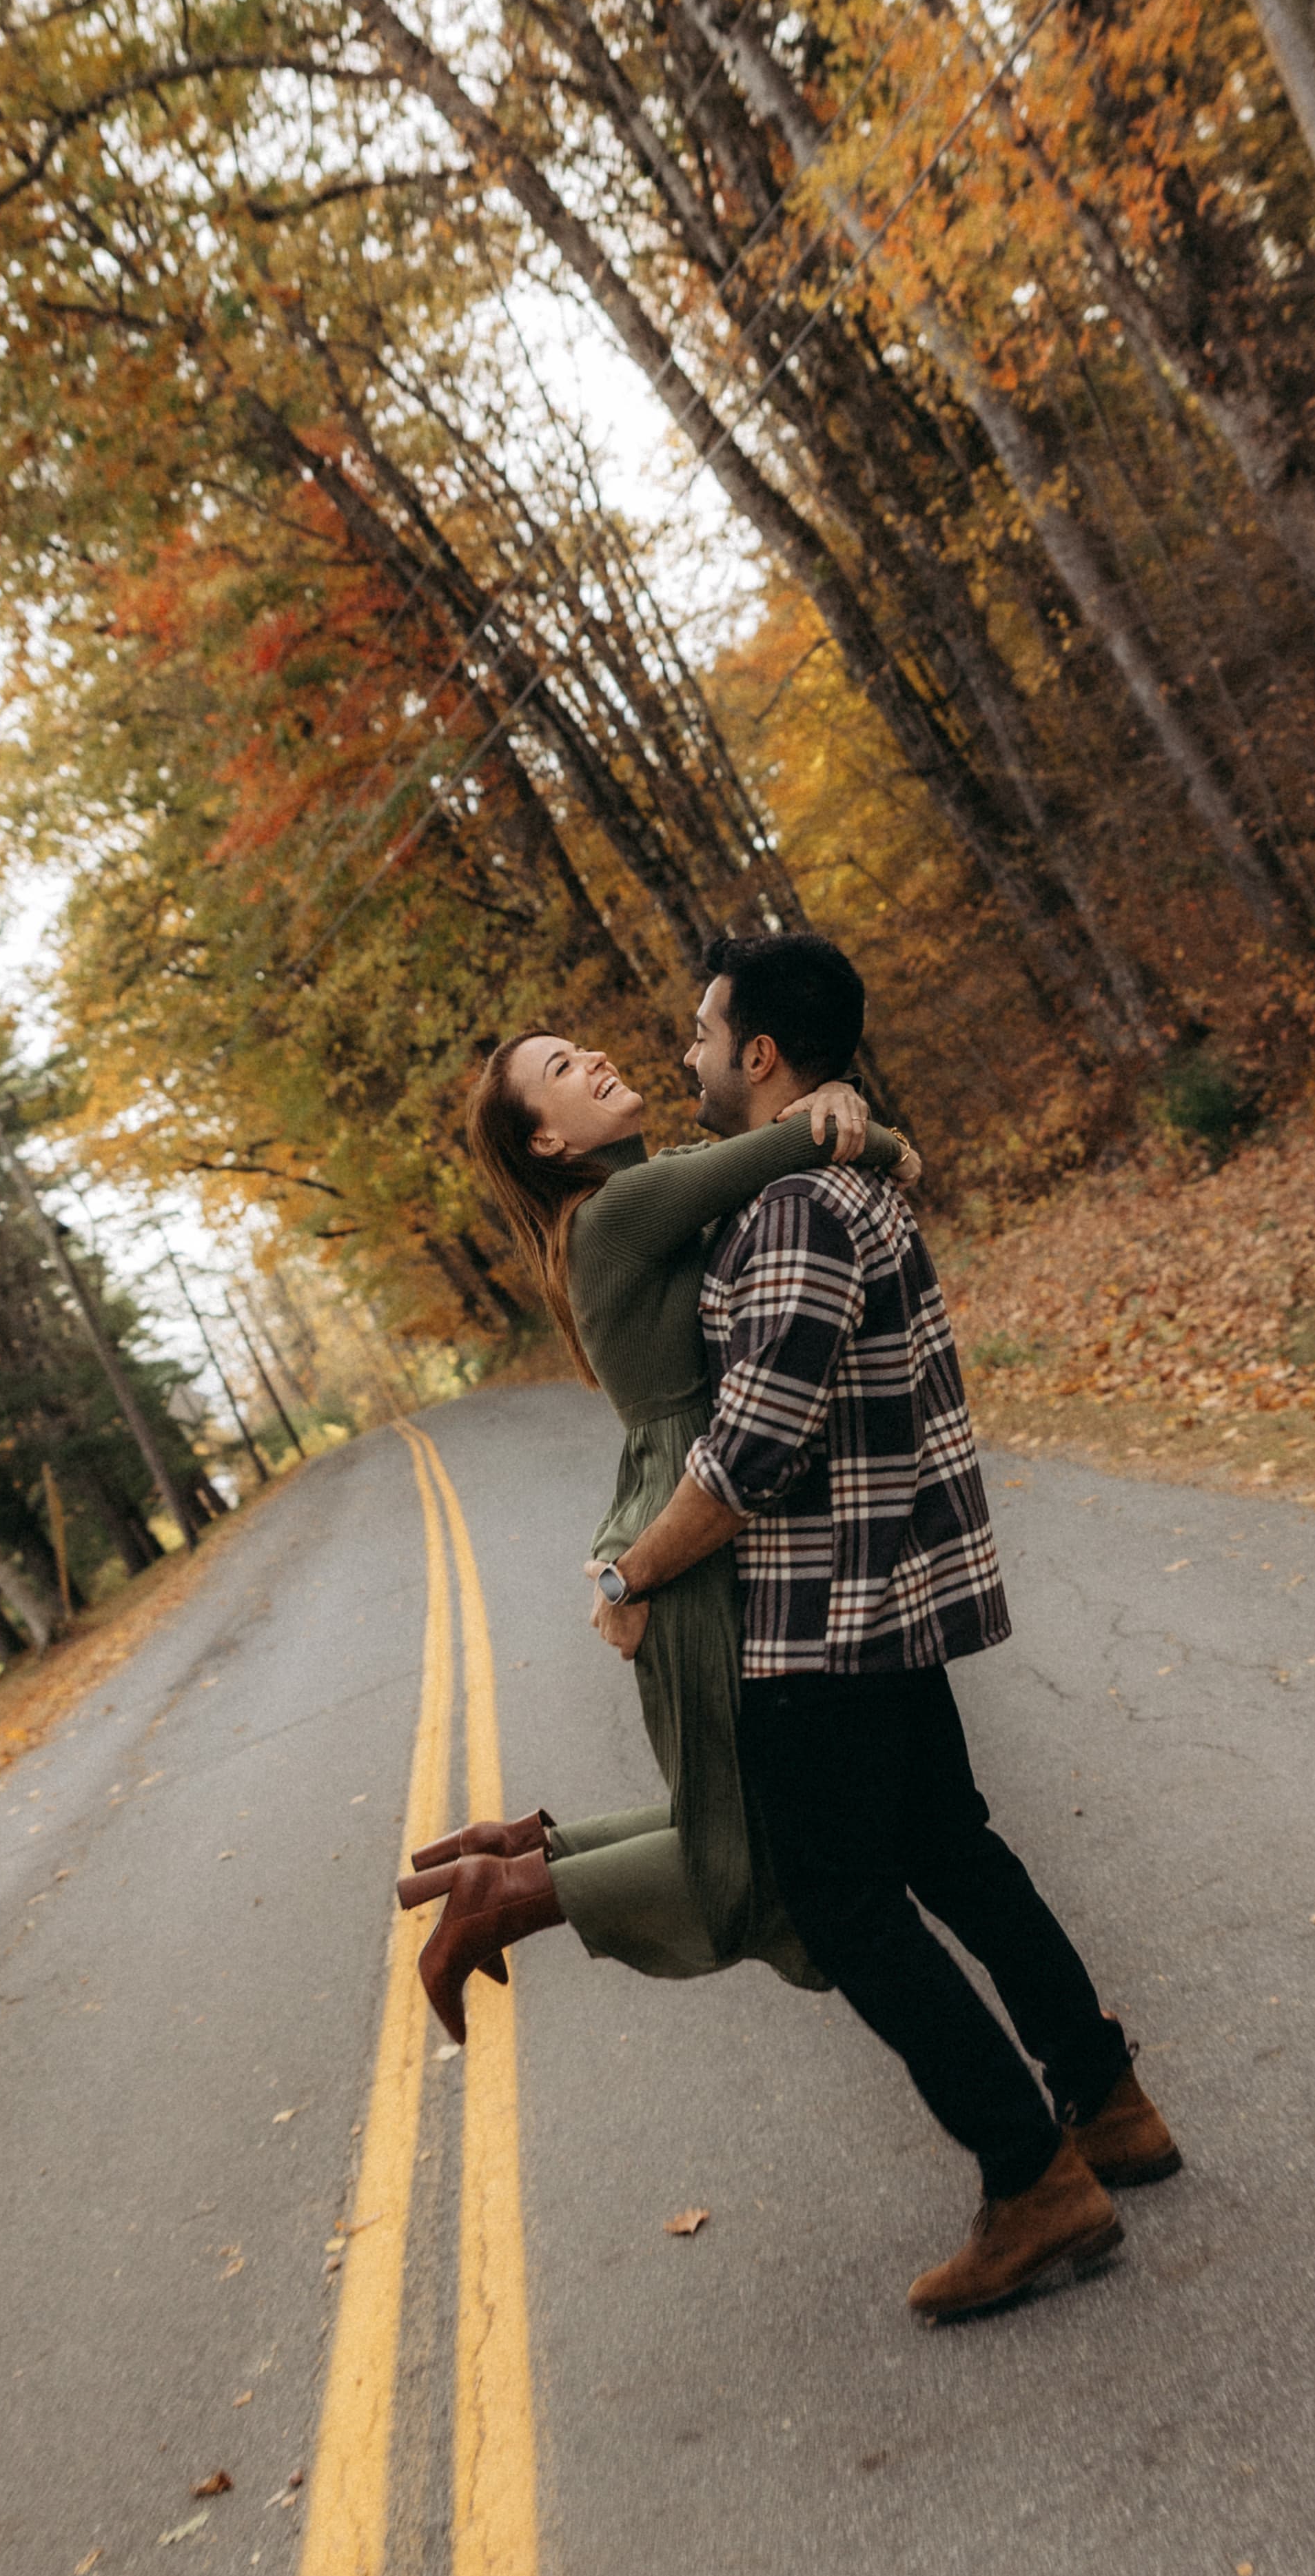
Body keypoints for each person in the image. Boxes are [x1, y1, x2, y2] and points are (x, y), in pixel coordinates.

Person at [599, 932, 1181, 2324]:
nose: (682, 1053)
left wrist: (632, 1576)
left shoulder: (794, 1211)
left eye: (698, 1031)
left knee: (846, 1904)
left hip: (823, 1627)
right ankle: (1106, 2105)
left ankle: (1030, 2179)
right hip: (889, 1604)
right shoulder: (839, 1177)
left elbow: (751, 1456)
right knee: (953, 1854)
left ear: (758, 1055)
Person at [396, 1028, 915, 2039]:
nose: (590, 1057)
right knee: (746, 1849)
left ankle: (509, 1862)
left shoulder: (649, 1184)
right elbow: (795, 1141)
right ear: (547, 1143)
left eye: (577, 1046)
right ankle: (503, 1897)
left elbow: (778, 1146)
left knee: (742, 1813)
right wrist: (875, 1133)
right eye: (560, 1072)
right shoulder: (620, 1209)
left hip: (680, 1508)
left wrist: (853, 1121)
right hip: (694, 1536)